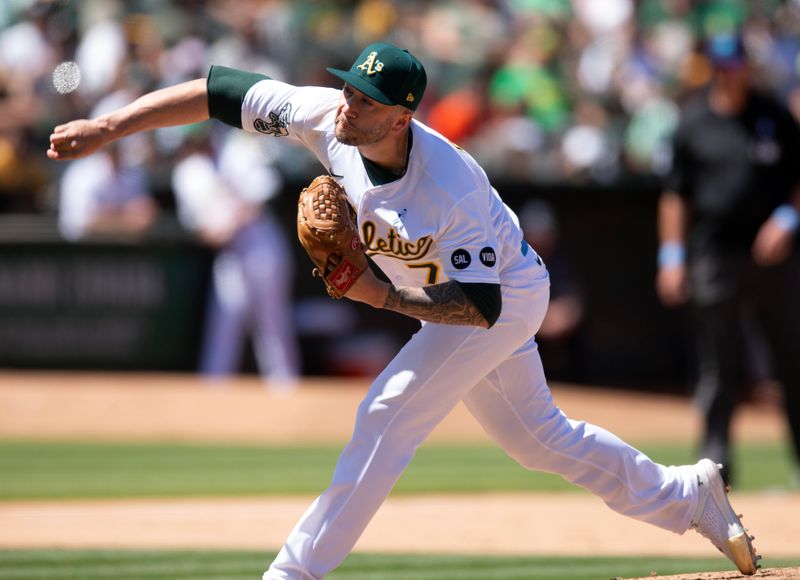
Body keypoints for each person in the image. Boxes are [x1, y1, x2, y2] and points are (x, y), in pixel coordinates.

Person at [48, 41, 759, 578]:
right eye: (350, 88)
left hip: (505, 296)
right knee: (539, 441)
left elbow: (481, 307)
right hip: (460, 299)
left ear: (402, 114)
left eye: (364, 98)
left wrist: (380, 294)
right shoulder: (325, 120)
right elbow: (215, 90)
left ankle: (293, 572)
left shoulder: (446, 184)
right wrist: (109, 127)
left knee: (389, 412)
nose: (347, 103)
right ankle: (687, 495)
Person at [656, 33, 800, 487]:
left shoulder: (773, 116)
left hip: (773, 257)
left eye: (734, 65)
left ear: (746, 66)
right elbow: (675, 195)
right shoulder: (693, 123)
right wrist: (672, 256)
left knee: (791, 360)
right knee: (718, 361)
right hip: (714, 254)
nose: (728, 74)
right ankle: (716, 468)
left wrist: (787, 218)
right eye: (720, 66)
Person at [170, 126, 300, 389]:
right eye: (195, 141)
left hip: (262, 246)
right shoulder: (189, 173)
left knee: (271, 321)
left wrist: (230, 224)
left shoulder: (237, 151)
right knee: (225, 319)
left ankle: (285, 387)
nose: (201, 145)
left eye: (203, 139)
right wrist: (216, 232)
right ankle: (215, 388)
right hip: (231, 254)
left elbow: (260, 198)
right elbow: (201, 228)